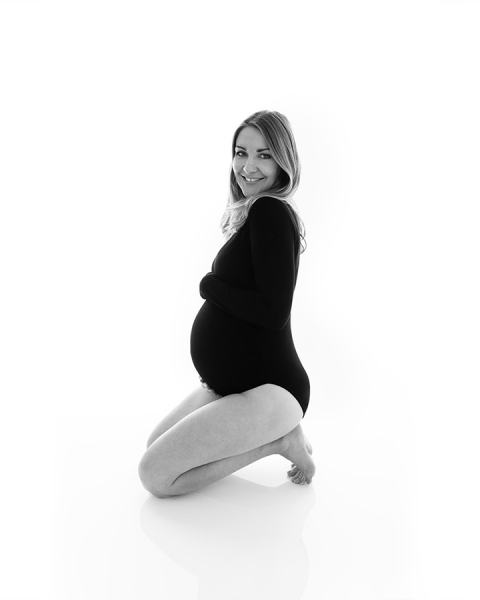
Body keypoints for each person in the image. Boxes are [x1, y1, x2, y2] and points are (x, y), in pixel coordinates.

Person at [138, 110, 316, 497]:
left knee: (156, 477)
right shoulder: (254, 215)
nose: (248, 166)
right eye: (241, 152)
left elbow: (273, 311)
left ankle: (279, 442)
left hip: (272, 391)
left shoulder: (270, 211)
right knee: (155, 446)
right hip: (234, 387)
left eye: (264, 155)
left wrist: (210, 286)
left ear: (284, 160)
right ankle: (269, 435)